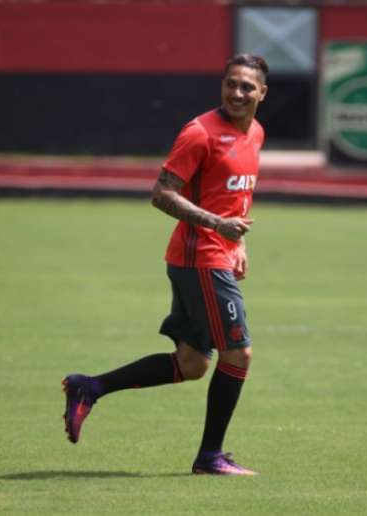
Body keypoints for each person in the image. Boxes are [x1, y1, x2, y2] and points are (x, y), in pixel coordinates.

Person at [62, 53, 269, 476]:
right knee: (239, 354)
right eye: (231, 83)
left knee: (192, 364)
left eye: (247, 86)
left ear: (262, 93)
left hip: (214, 255)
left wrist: (239, 243)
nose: (237, 93)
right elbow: (161, 193)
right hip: (201, 259)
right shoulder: (200, 133)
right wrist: (217, 226)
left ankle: (90, 387)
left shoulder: (257, 133)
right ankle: (210, 457)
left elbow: (233, 196)